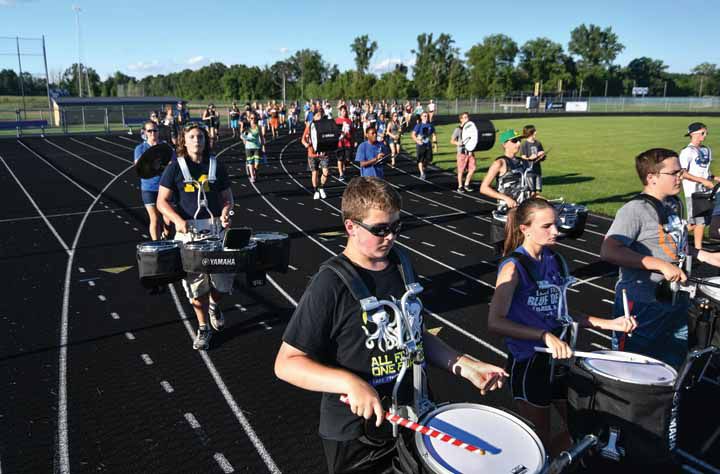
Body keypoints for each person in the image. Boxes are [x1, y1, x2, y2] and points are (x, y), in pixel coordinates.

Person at [274, 177, 507, 474]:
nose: (390, 237)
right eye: (380, 229)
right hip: (356, 435)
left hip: (412, 416)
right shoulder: (329, 284)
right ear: (351, 227)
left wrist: (463, 365)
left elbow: (414, 335)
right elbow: (287, 363)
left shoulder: (401, 265)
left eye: (396, 227)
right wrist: (350, 383)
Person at [488, 197, 637, 456]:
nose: (556, 231)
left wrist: (611, 324)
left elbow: (564, 314)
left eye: (555, 224)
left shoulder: (556, 260)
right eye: (547, 226)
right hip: (530, 364)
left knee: (582, 429)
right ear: (525, 229)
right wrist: (543, 335)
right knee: (539, 442)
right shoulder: (513, 267)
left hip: (561, 361)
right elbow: (495, 321)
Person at [601, 148, 720, 368]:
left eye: (681, 172)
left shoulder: (674, 204)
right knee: (634, 368)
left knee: (671, 367)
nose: (680, 177)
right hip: (642, 305)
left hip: (676, 302)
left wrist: (707, 256)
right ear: (651, 178)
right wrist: (659, 265)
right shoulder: (634, 210)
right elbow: (610, 250)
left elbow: (674, 247)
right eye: (674, 172)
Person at [157, 123, 234, 350]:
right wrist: (178, 220)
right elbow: (161, 201)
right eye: (192, 137)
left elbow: (228, 198)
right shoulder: (175, 168)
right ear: (184, 141)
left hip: (216, 229)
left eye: (200, 136)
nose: (197, 140)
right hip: (189, 231)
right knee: (195, 285)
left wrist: (227, 213)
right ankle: (203, 328)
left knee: (222, 282)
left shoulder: (216, 165)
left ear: (205, 140)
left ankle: (214, 305)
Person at [679, 122, 717, 250]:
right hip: (693, 193)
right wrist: (701, 180)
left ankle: (677, 232)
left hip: (705, 191)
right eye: (702, 133)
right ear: (692, 134)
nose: (705, 135)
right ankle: (698, 251)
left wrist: (715, 178)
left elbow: (705, 171)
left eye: (706, 133)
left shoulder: (705, 150)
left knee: (698, 223)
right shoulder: (687, 152)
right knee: (700, 222)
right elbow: (682, 172)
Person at [134, 120, 174, 241]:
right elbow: (139, 167)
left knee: (168, 218)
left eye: (155, 130)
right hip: (149, 188)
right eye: (149, 130)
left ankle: (165, 236)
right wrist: (157, 166)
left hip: (166, 187)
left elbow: (173, 164)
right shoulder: (140, 148)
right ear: (145, 132)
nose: (152, 133)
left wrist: (157, 166)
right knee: (155, 218)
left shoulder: (166, 147)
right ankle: (157, 244)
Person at [480, 129, 528, 209]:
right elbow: (484, 188)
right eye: (514, 140)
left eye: (519, 140)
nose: (519, 143)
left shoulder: (522, 162)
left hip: (523, 208)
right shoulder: (499, 163)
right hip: (506, 210)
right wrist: (506, 199)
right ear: (505, 144)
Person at [301, 109, 330, 200]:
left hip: (323, 153)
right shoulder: (309, 126)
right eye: (317, 115)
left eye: (320, 115)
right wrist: (306, 144)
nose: (319, 117)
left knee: (326, 172)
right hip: (312, 154)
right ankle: (316, 191)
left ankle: (321, 187)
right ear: (313, 117)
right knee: (315, 173)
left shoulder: (325, 125)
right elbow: (303, 139)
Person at [450, 112, 476, 193]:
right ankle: (460, 186)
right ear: (461, 119)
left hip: (470, 152)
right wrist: (458, 143)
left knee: (473, 168)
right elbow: (452, 140)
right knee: (461, 170)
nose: (467, 119)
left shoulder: (471, 129)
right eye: (464, 117)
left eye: (467, 117)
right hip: (461, 152)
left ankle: (467, 184)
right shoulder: (458, 129)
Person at [520, 125, 547, 194]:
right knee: (531, 192)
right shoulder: (524, 144)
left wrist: (542, 156)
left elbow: (542, 158)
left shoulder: (538, 143)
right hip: (529, 172)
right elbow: (523, 157)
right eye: (534, 131)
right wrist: (529, 158)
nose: (536, 132)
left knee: (538, 191)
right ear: (530, 132)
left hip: (537, 170)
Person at [411, 112, 436, 180]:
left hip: (428, 144)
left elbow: (434, 134)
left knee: (428, 159)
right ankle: (422, 173)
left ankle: (424, 168)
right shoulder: (419, 125)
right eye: (424, 116)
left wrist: (435, 144)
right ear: (421, 117)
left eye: (427, 116)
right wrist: (417, 140)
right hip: (421, 145)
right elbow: (413, 135)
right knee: (420, 160)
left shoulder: (430, 125)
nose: (426, 117)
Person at [242, 113, 265, 183]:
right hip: (248, 147)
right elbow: (242, 136)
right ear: (249, 119)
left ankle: (255, 173)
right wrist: (246, 140)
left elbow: (261, 136)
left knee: (257, 164)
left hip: (257, 147)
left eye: (254, 118)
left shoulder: (258, 127)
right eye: (252, 118)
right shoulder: (247, 128)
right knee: (250, 162)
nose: (253, 120)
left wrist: (263, 146)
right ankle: (252, 177)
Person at [335, 105, 354, 182]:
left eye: (345, 111)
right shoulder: (337, 121)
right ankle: (341, 174)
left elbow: (352, 131)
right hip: (340, 143)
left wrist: (354, 140)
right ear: (340, 112)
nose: (344, 112)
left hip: (348, 142)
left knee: (348, 159)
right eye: (343, 111)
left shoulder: (349, 121)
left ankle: (344, 166)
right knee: (340, 158)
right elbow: (335, 132)